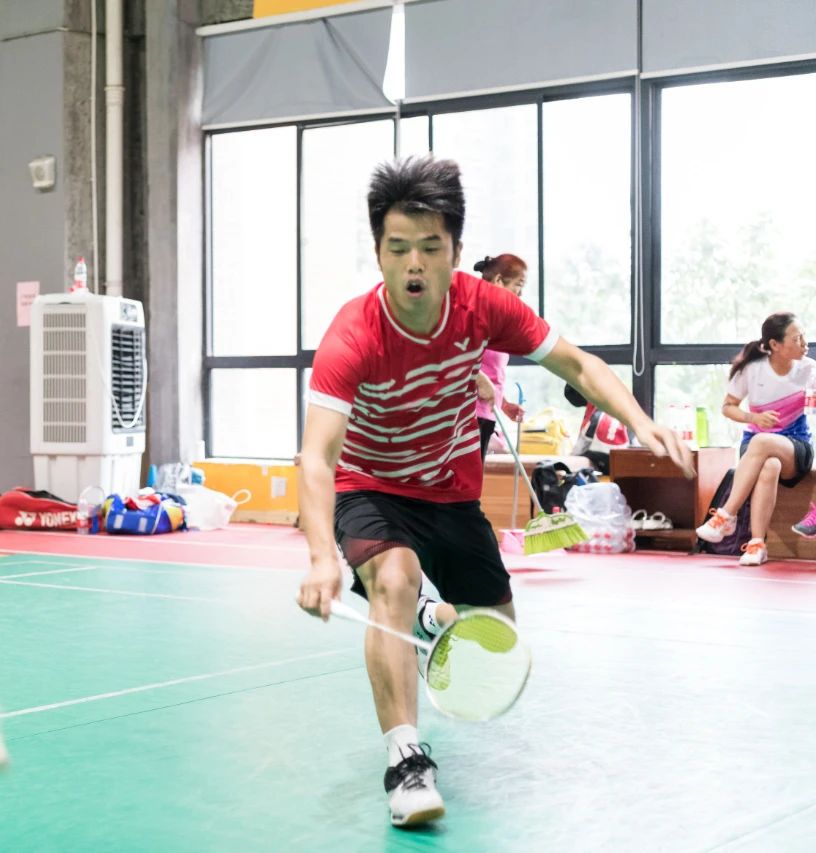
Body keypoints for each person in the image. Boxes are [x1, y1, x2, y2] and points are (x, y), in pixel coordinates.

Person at [296, 155, 692, 828]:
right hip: (373, 484)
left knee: (496, 637)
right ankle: (405, 761)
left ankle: (427, 617)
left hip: (450, 492)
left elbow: (578, 364)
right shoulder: (353, 334)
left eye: (431, 247)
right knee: (393, 577)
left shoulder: (483, 307)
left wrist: (640, 420)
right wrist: (318, 557)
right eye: (398, 248)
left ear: (455, 253)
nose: (414, 265)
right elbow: (316, 456)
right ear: (379, 252)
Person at [695, 313, 814, 564]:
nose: (805, 343)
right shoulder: (753, 370)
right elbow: (728, 407)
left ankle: (726, 515)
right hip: (756, 448)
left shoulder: (809, 370)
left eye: (803, 336)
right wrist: (753, 418)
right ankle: (757, 545)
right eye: (797, 338)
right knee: (769, 464)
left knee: (762, 442)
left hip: (796, 446)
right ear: (775, 345)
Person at [472, 254, 528, 456]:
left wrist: (503, 404)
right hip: (467, 416)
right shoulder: (475, 316)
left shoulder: (497, 322)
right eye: (518, 285)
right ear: (498, 281)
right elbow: (451, 355)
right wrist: (480, 379)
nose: (520, 293)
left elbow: (489, 372)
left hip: (486, 414)